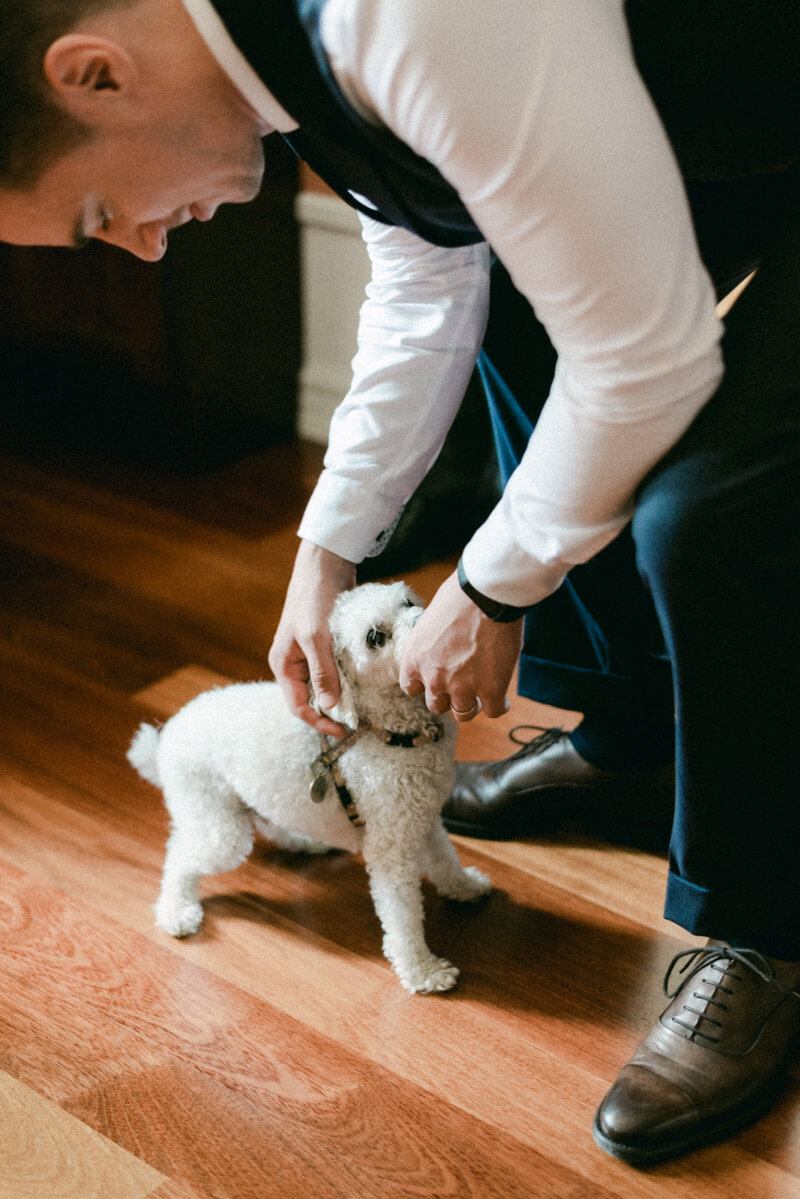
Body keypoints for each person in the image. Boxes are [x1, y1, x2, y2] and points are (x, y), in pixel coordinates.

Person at [1, 0, 798, 1166]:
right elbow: (432, 279)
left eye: (94, 213)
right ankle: (635, 739)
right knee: (510, 318)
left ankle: (758, 928)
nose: (144, 244)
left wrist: (489, 590)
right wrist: (324, 555)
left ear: (95, 75)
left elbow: (646, 358)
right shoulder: (277, 63)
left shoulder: (404, 12)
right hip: (713, 131)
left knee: (709, 515)